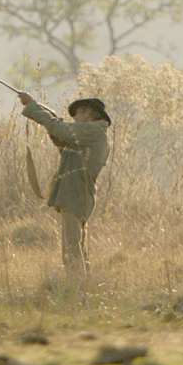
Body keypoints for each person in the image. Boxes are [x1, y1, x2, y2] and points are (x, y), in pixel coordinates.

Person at [17, 91, 111, 278]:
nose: (74, 118)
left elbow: (61, 130)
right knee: (77, 246)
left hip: (76, 194)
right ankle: (82, 285)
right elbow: (62, 140)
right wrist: (50, 122)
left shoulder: (92, 131)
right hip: (78, 194)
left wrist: (32, 106)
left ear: (88, 113)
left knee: (71, 249)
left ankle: (75, 286)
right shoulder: (91, 135)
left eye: (77, 113)